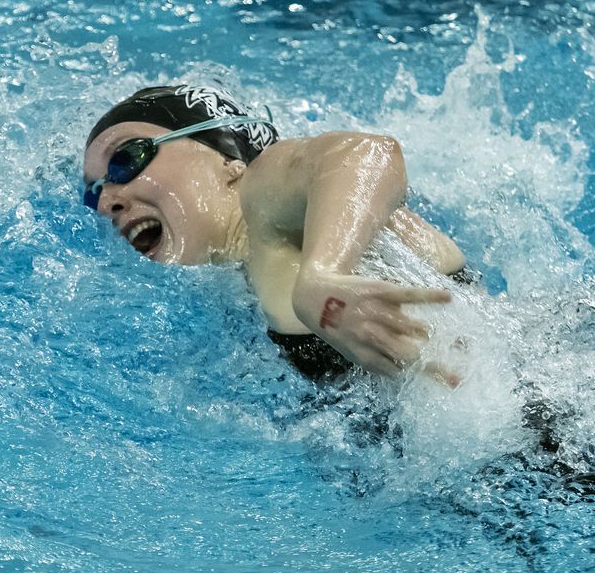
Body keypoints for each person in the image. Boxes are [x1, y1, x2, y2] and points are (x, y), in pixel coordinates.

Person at [83, 83, 467, 386]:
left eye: (126, 159)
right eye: (93, 192)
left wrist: (324, 275)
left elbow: (366, 153)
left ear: (228, 162)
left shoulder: (261, 194)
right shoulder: (246, 281)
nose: (106, 203)